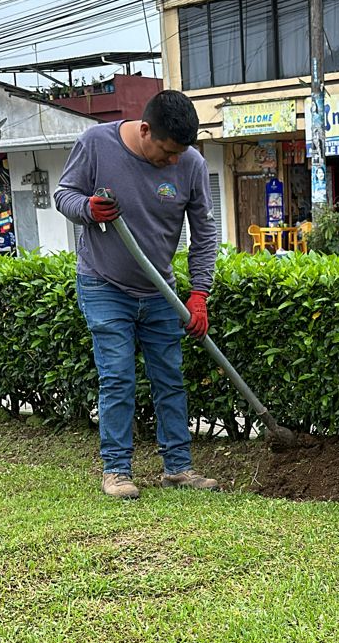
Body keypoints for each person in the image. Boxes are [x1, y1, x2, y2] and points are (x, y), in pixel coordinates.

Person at [55, 90, 219, 499]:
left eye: (181, 153)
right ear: (145, 130)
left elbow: (204, 233)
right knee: (118, 377)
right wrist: (88, 208)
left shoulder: (191, 164)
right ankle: (116, 471)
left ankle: (178, 468)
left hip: (160, 289)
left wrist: (199, 293)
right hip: (104, 283)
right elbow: (64, 194)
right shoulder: (96, 144)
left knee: (169, 378)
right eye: (168, 152)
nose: (174, 162)